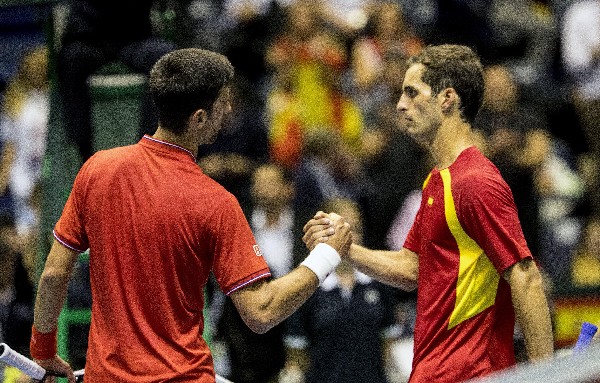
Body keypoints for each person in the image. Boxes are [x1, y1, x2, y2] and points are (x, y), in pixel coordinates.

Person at [29, 48, 352, 383]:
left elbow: (53, 273)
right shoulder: (217, 203)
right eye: (222, 103)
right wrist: (326, 256)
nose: (228, 110)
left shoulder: (96, 170)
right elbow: (261, 311)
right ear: (199, 118)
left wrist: (43, 350)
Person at [303, 44, 554, 383]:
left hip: (471, 372)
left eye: (411, 92)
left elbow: (526, 277)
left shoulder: (475, 181)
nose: (399, 104)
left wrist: (546, 376)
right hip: (433, 372)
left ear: (447, 98)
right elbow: (411, 268)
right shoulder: (439, 180)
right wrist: (343, 248)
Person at [56, 0, 177, 161]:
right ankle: (83, 151)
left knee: (166, 56)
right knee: (71, 59)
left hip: (133, 39)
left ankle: (149, 148)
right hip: (92, 41)